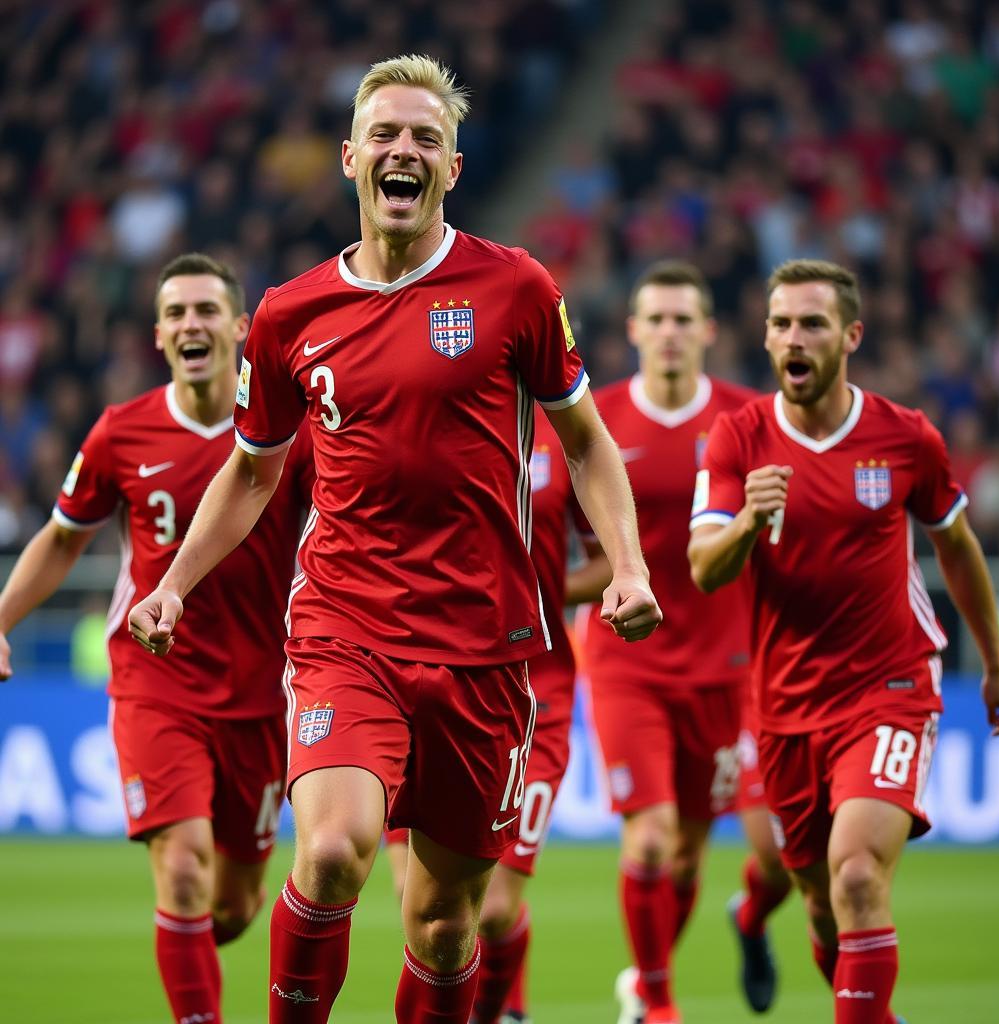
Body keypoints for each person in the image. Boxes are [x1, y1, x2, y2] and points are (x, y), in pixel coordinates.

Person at [127, 54, 661, 1024]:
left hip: (487, 647)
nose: (402, 150)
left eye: (424, 138)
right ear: (350, 158)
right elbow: (251, 471)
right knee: (330, 853)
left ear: (453, 167)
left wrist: (626, 563)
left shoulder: (517, 290)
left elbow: (586, 442)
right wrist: (172, 581)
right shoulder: (291, 314)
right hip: (346, 627)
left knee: (448, 922)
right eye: (386, 134)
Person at [688, 258, 999, 1024]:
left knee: (860, 876)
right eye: (780, 324)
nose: (793, 337)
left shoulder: (906, 438)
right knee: (823, 908)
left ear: (851, 336)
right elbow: (704, 569)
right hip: (784, 706)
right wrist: (746, 520)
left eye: (812, 323)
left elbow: (958, 545)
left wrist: (997, 667)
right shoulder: (737, 440)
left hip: (890, 688)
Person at [0, 252, 314, 1024]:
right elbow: (62, 539)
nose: (190, 325)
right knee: (180, 870)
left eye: (206, 310)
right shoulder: (122, 431)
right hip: (157, 682)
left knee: (233, 905)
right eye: (175, 314)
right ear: (160, 335)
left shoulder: (292, 434)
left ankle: (194, 955)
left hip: (263, 693)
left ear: (240, 328)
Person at [582, 261, 792, 1024]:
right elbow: (562, 545)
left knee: (752, 857)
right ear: (633, 330)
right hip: (625, 664)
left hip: (734, 667)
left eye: (683, 320)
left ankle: (749, 917)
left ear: (708, 330)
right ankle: (655, 999)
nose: (669, 334)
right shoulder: (594, 422)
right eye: (656, 320)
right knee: (649, 842)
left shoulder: (751, 422)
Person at [384, 412, 612, 1024]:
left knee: (491, 908)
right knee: (420, 906)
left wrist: (525, 596)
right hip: (422, 682)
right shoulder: (429, 403)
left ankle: (498, 1010)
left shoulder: (564, 431)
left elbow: (605, 563)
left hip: (537, 694)